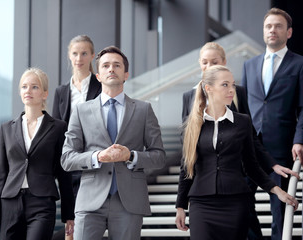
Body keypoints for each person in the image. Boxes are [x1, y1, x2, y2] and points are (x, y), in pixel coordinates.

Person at [181, 42, 299, 240]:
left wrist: (272, 167)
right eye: (205, 62)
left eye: (214, 62)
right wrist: (180, 204)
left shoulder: (238, 98)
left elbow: (250, 140)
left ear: (224, 62)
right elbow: (188, 158)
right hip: (203, 193)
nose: (209, 66)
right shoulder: (190, 102)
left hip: (235, 182)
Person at [61, 46, 166, 240]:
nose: (111, 69)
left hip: (129, 201)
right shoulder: (81, 111)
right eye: (106, 66)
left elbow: (159, 157)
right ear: (98, 75)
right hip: (90, 200)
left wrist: (131, 156)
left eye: (117, 65)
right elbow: (67, 158)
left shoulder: (144, 110)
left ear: (125, 74)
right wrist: (97, 157)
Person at [0, 68, 75, 239]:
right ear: (20, 92)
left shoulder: (58, 127)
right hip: (10, 203)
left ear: (44, 93)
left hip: (41, 203)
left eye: (34, 87)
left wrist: (68, 214)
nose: (28, 90)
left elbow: (64, 174)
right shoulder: (6, 129)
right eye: (24, 87)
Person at [241, 8, 303, 240]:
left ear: (289, 33)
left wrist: (299, 140)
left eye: (278, 26)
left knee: (280, 208)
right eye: (268, 26)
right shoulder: (250, 65)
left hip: (282, 148)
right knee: (242, 202)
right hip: (249, 147)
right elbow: (243, 108)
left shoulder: (299, 64)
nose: (272, 30)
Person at [52, 35, 101, 240]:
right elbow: (54, 128)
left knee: (89, 221)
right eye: (75, 53)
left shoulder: (100, 86)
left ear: (92, 56)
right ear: (69, 56)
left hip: (94, 157)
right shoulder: (62, 91)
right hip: (69, 161)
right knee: (70, 223)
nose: (79, 58)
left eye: (83, 53)